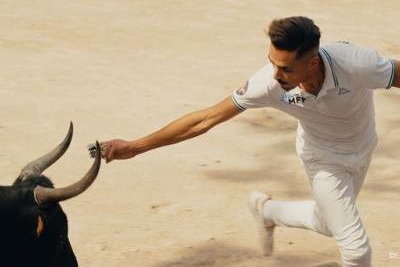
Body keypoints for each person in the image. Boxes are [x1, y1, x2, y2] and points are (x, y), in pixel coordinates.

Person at [99, 16, 399, 267]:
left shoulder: (357, 63)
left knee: (327, 223)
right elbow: (205, 119)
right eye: (272, 62)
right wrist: (136, 146)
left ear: (311, 62)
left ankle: (265, 211)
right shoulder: (266, 85)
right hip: (322, 158)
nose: (276, 74)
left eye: (286, 68)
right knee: (355, 248)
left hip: (363, 146)